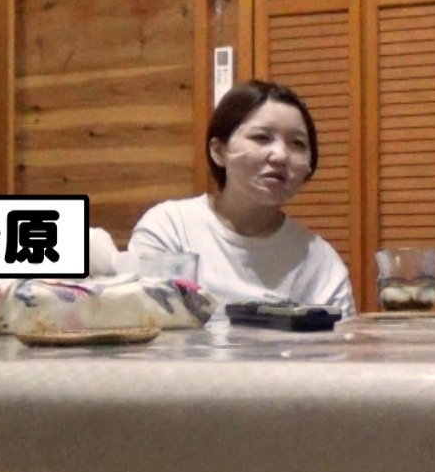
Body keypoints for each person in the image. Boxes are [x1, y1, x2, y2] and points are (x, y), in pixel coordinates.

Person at [131, 82, 356, 316]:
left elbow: (339, 339)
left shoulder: (320, 261)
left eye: (297, 143)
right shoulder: (171, 228)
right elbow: (148, 323)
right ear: (219, 151)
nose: (280, 155)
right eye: (261, 137)